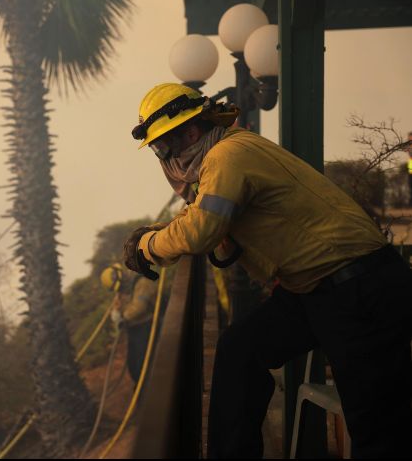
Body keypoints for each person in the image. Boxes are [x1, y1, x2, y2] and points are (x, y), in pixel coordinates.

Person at [121, 83, 412, 458]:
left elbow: (201, 230)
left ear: (190, 132)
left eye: (163, 146)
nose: (164, 157)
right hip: (317, 289)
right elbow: (202, 213)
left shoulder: (228, 156)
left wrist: (147, 247)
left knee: (378, 431)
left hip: (358, 290)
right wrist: (162, 232)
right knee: (239, 350)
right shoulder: (228, 151)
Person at [99, 263, 159, 385]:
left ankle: (151, 387)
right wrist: (116, 312)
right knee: (133, 366)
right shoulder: (124, 291)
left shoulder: (142, 282)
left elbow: (139, 307)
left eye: (120, 287)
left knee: (143, 365)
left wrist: (122, 316)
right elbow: (124, 310)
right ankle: (142, 387)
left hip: (148, 325)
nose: (120, 290)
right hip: (134, 329)